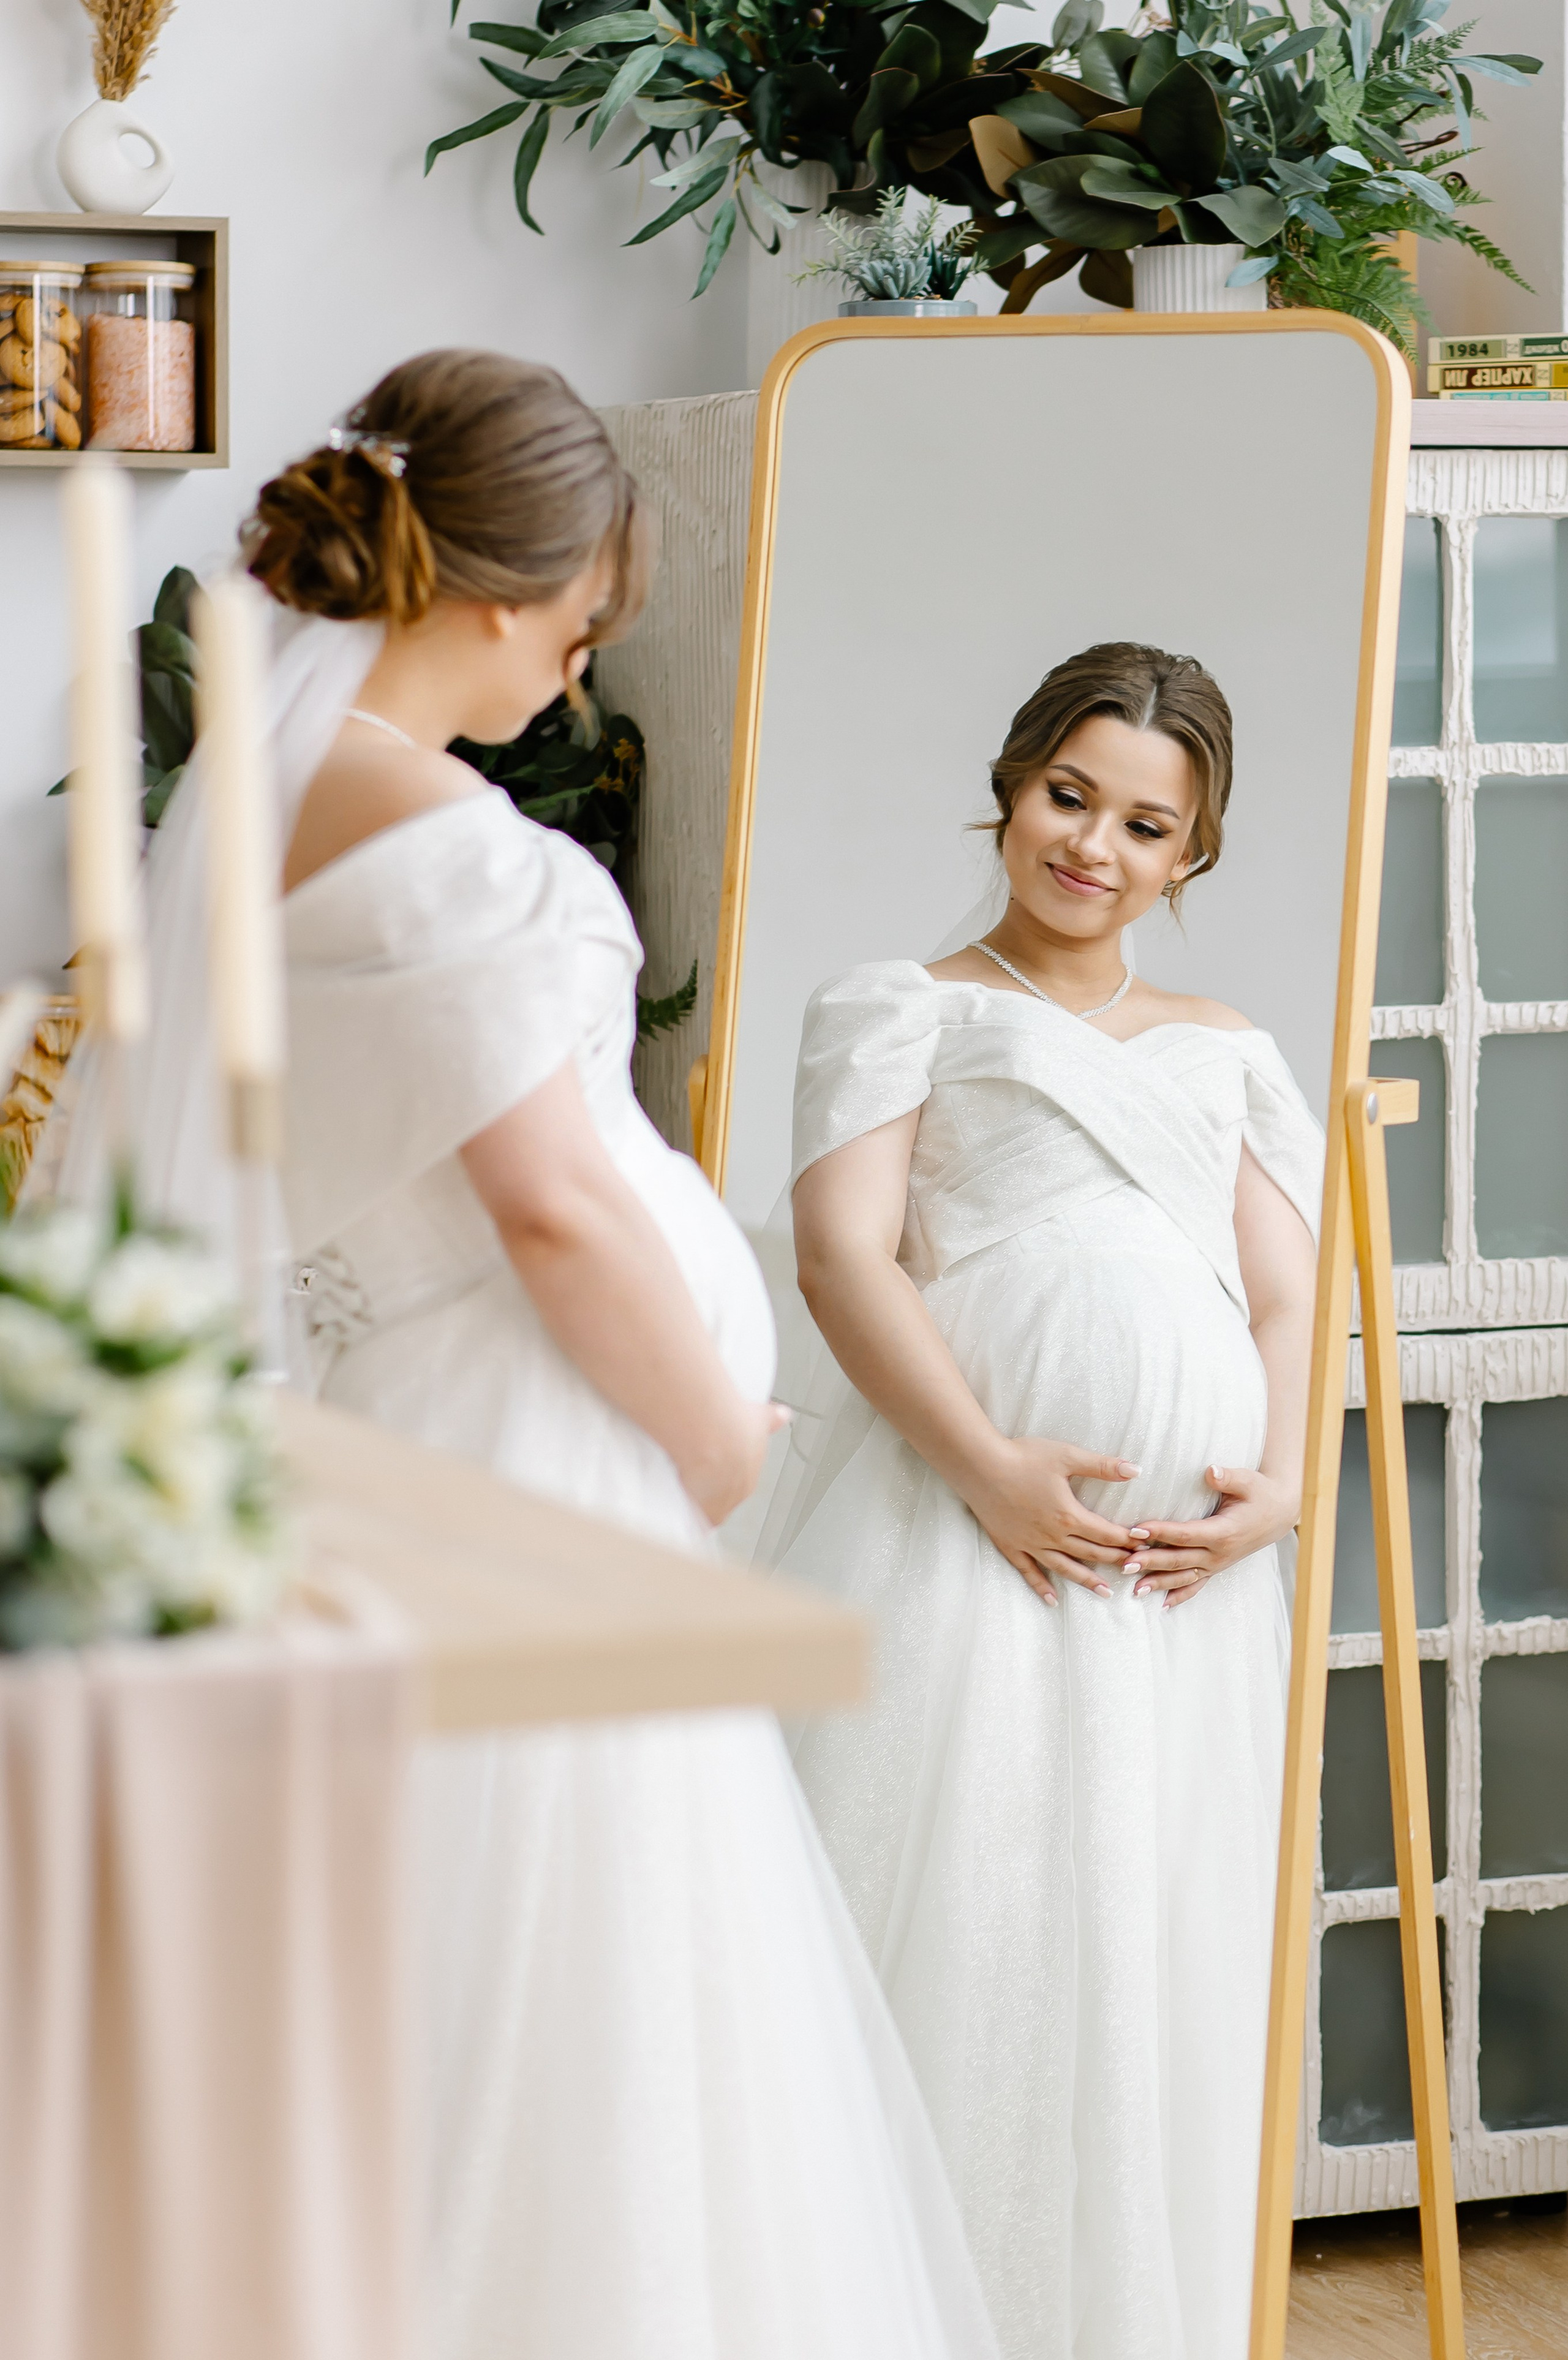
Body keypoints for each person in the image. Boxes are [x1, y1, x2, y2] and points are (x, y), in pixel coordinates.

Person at [65, 352, 999, 2360]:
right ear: (502, 596)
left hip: (359, 1444)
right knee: (578, 1995)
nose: (573, 687)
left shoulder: (242, 816)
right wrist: (713, 1436)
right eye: (580, 634)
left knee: (389, 1958)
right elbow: (556, 1204)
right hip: (521, 1474)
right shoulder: (481, 863)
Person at [771, 645, 1324, 2360]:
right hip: (964, 1534)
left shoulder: (1228, 1049)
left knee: (1149, 1936)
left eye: (1147, 824)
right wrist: (987, 1466)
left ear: (1192, 855)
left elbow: (1294, 1294)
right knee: (971, 1918)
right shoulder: (906, 1005)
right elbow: (845, 1253)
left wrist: (1284, 1485)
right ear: (1012, 784)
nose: (1095, 845)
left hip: (1182, 1585)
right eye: (1069, 795)